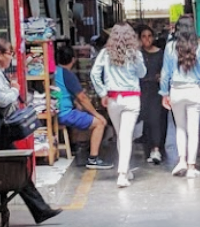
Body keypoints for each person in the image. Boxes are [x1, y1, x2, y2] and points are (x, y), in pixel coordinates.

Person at [0, 40, 61, 223]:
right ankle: (40, 210)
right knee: (15, 168)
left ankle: (37, 210)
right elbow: (1, 100)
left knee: (5, 170)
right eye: (9, 53)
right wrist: (15, 90)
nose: (11, 57)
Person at [90, 23, 145, 188]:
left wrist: (102, 93)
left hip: (113, 99)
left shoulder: (105, 53)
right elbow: (142, 73)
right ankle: (122, 174)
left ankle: (125, 170)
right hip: (131, 99)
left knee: (121, 134)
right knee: (126, 135)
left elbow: (94, 74)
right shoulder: (135, 53)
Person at [161, 25, 200, 177]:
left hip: (176, 91)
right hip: (194, 91)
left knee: (180, 128)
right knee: (193, 130)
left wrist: (164, 93)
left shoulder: (169, 47)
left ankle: (182, 161)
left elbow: (165, 73)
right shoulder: (199, 48)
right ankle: (192, 167)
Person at [54, 42, 109, 169]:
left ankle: (74, 147)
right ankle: (93, 159)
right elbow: (82, 98)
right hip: (65, 113)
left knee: (80, 113)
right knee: (100, 123)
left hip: (56, 111)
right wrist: (97, 114)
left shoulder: (54, 72)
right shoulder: (68, 74)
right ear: (73, 60)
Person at [136, 24, 167, 165]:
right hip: (141, 89)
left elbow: (165, 71)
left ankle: (156, 149)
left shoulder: (161, 53)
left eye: (149, 36)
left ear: (153, 38)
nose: (147, 39)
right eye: (143, 36)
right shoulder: (137, 54)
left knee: (156, 119)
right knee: (147, 120)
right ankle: (150, 147)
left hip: (156, 89)